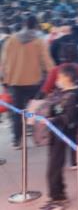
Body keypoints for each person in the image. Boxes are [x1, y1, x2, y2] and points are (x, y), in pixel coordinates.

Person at [0, 15, 55, 148]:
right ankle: (38, 138)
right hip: (34, 82)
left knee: (17, 112)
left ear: (24, 25)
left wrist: (4, 78)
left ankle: (17, 140)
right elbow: (47, 62)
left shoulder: (11, 40)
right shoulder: (39, 41)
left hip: (15, 82)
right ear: (36, 26)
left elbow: (4, 61)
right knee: (34, 111)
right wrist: (54, 74)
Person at [42, 64, 78, 210]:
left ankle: (57, 199)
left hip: (61, 135)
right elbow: (54, 107)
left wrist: (52, 120)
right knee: (54, 168)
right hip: (55, 134)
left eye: (60, 76)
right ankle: (59, 195)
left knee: (53, 169)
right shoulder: (62, 92)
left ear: (68, 78)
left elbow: (69, 118)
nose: (57, 79)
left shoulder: (73, 96)